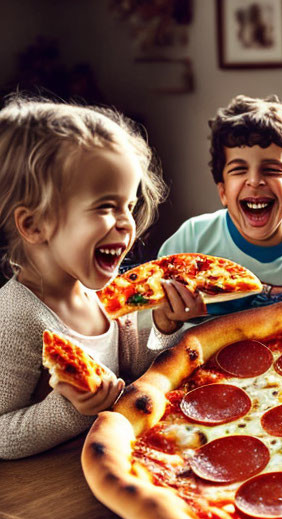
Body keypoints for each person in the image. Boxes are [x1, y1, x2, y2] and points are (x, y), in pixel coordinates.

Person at [0, 94, 196, 459]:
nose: (127, 223)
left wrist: (163, 326)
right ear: (34, 224)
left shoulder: (102, 293)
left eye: (129, 205)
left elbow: (132, 371)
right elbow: (1, 434)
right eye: (106, 207)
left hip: (121, 456)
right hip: (40, 501)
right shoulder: (16, 317)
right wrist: (73, 409)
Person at [157, 94, 282, 318]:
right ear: (222, 191)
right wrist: (170, 320)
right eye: (239, 169)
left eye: (272, 170)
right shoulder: (192, 240)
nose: (254, 181)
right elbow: (149, 319)